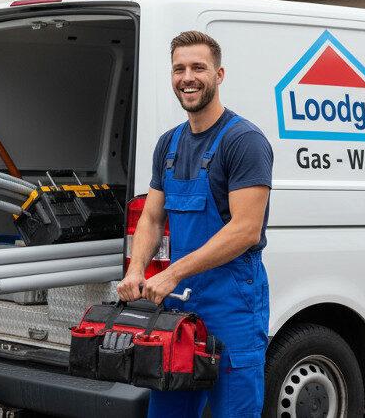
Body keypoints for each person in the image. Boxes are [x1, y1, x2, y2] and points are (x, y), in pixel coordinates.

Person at [117, 31, 273, 417]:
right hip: (178, 313)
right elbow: (152, 217)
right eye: (179, 69)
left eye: (198, 67)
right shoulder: (168, 145)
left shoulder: (244, 142)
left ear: (219, 74)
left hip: (232, 307)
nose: (187, 77)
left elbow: (245, 229)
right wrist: (137, 268)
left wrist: (173, 273)